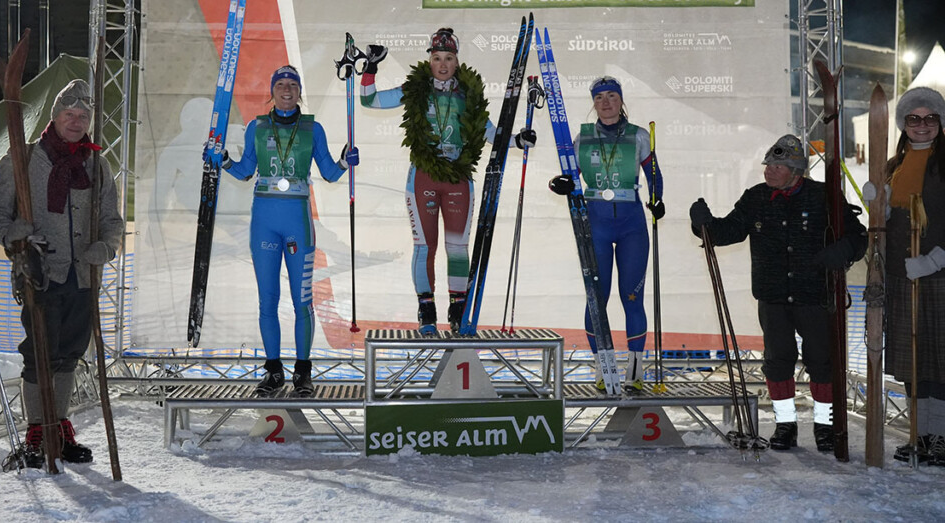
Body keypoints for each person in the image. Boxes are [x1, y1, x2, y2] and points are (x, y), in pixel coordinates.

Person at [688, 134, 866, 452]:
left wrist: (842, 251)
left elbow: (858, 235)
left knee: (822, 362)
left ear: (796, 170)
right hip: (772, 296)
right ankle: (785, 425)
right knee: (777, 361)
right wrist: (705, 225)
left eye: (777, 165)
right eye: (768, 164)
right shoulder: (755, 198)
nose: (769, 170)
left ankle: (826, 427)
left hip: (814, 295)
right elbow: (729, 230)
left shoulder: (823, 196)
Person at [0, 79, 124, 467]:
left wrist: (105, 247)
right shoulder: (23, 158)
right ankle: (35, 432)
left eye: (83, 116)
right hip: (39, 271)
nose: (76, 122)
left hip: (83, 275)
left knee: (69, 354)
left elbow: (113, 220)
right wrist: (13, 234)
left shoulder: (97, 163)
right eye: (69, 114)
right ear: (55, 116)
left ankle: (58, 428)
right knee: (40, 353)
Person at [359, 28, 536, 336]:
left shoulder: (468, 94)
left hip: (458, 178)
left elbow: (490, 132)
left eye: (448, 58)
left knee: (457, 247)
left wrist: (517, 139)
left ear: (457, 62)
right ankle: (426, 310)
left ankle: (457, 309)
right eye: (437, 57)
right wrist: (371, 68)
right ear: (429, 60)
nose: (442, 64)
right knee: (425, 246)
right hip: (423, 177)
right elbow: (369, 101)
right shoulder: (416, 89)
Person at [222, 65, 358, 397]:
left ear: (299, 92)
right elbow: (244, 171)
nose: (286, 89)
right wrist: (221, 160)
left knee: (303, 300)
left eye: (292, 85)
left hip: (297, 220)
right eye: (280, 84)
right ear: (273, 91)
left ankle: (303, 371)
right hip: (264, 221)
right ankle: (273, 371)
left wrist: (344, 162)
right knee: (267, 299)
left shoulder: (313, 128)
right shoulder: (257, 126)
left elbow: (329, 173)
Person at [547, 76, 664, 390]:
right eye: (600, 97)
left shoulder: (639, 135)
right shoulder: (582, 137)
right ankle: (603, 369)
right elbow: (568, 178)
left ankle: (636, 373)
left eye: (612, 96)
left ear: (621, 100)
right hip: (595, 222)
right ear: (594, 103)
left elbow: (654, 174)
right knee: (597, 299)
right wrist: (559, 184)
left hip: (632, 225)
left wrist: (657, 200)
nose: (606, 102)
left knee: (632, 297)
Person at [880, 87, 945, 465]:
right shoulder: (893, 166)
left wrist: (937, 259)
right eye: (914, 119)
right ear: (904, 125)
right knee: (912, 361)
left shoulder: (944, 163)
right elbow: (888, 222)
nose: (922, 125)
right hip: (902, 275)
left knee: (939, 359)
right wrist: (880, 208)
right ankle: (920, 436)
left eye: (930, 118)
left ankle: (941, 438)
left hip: (937, 275)